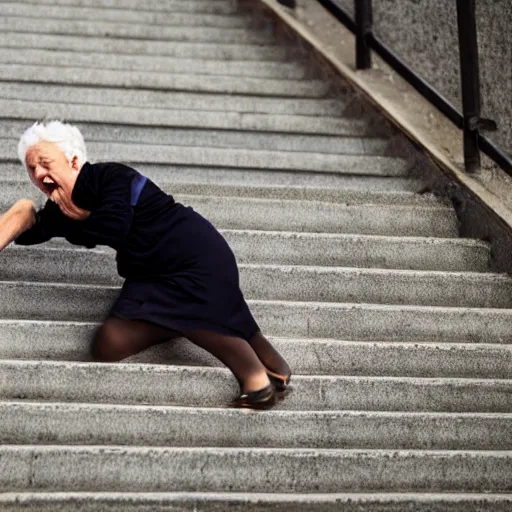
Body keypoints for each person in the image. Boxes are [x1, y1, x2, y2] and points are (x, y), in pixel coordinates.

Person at [0, 121, 291, 409]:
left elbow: (114, 226)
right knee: (108, 343)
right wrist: (24, 214)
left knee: (190, 307)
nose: (38, 173)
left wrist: (79, 217)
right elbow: (35, 230)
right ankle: (274, 365)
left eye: (44, 162)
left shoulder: (112, 177)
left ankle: (256, 383)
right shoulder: (63, 206)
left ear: (74, 161)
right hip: (151, 275)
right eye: (31, 168)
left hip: (191, 254)